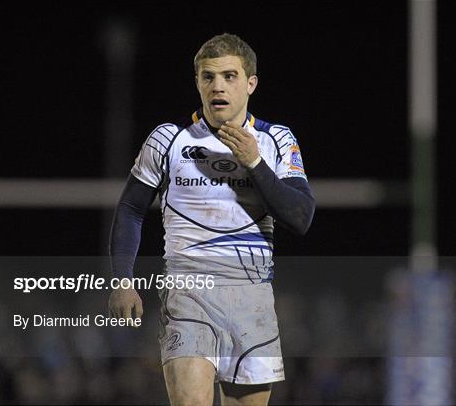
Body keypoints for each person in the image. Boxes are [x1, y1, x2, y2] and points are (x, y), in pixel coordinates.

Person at [108, 33, 315, 405]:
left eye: (230, 76)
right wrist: (123, 280)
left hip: (251, 295)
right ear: (198, 83)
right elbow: (130, 208)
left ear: (250, 83)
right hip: (188, 292)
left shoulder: (274, 140)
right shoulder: (168, 140)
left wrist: (254, 163)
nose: (218, 86)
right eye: (208, 77)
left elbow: (300, 218)